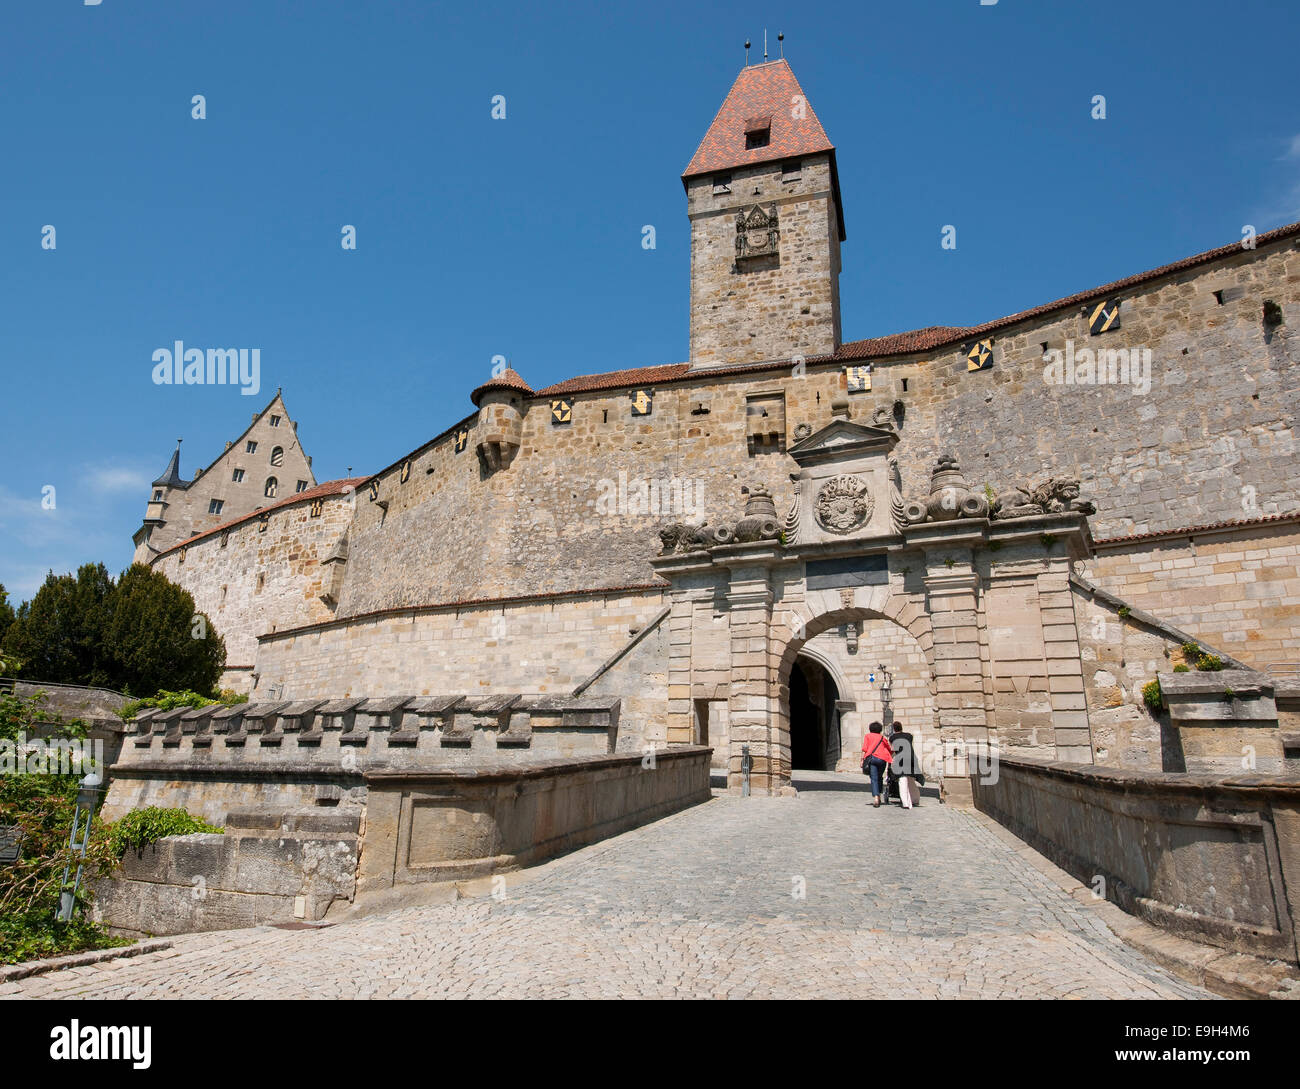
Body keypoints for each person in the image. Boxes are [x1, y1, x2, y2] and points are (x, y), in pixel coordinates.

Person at [890, 722, 921, 810]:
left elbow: (893, 749)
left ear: (894, 729)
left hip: (901, 760)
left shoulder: (892, 737)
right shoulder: (909, 735)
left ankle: (906, 803)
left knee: (902, 780)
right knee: (911, 779)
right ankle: (915, 799)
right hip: (911, 758)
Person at [861, 721, 893, 808]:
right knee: (879, 777)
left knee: (874, 778)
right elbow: (889, 749)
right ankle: (879, 794)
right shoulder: (882, 738)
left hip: (872, 759)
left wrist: (862, 760)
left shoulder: (868, 736)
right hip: (882, 759)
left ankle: (876, 797)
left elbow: (865, 749)